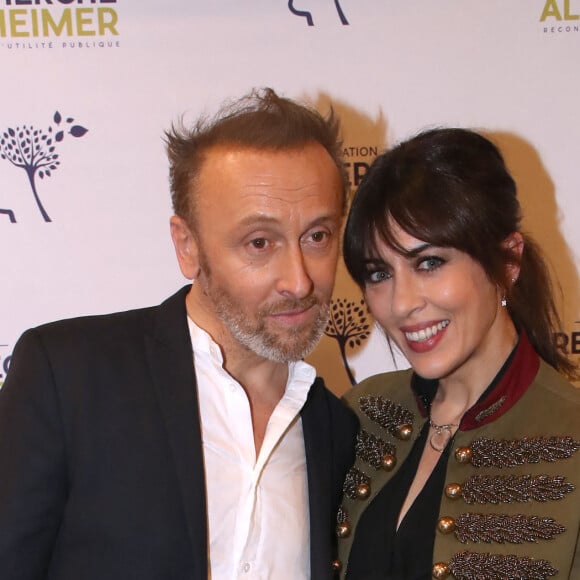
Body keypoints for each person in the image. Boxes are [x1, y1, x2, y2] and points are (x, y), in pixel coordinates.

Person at [0, 88, 358, 580]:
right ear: (187, 246)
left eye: (317, 236)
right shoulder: (69, 377)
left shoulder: (337, 428)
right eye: (259, 242)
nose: (299, 280)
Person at [335, 128, 580, 579]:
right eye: (378, 272)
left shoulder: (571, 435)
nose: (402, 302)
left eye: (429, 263)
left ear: (508, 261)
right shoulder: (360, 414)